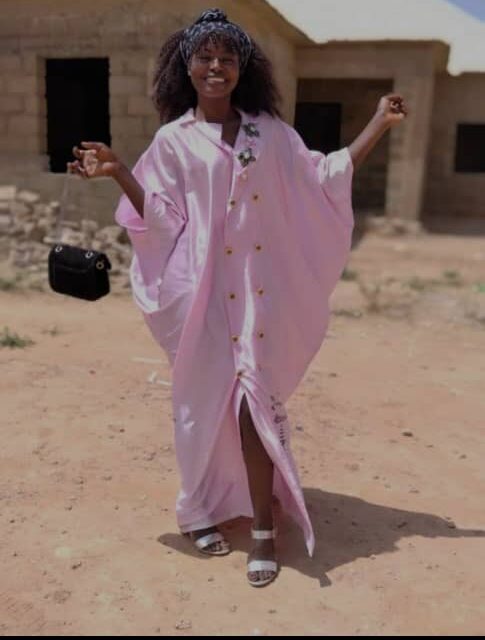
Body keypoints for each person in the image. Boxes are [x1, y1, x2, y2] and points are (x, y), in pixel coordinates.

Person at [68, 7, 407, 588]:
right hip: (198, 294)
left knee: (253, 403)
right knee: (200, 407)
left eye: (227, 57)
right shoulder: (173, 141)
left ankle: (264, 529)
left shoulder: (269, 135)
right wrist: (122, 170)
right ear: (187, 67)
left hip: (256, 294)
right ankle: (199, 510)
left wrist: (378, 122)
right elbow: (164, 220)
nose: (216, 66)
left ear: (242, 68)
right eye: (205, 56)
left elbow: (323, 178)